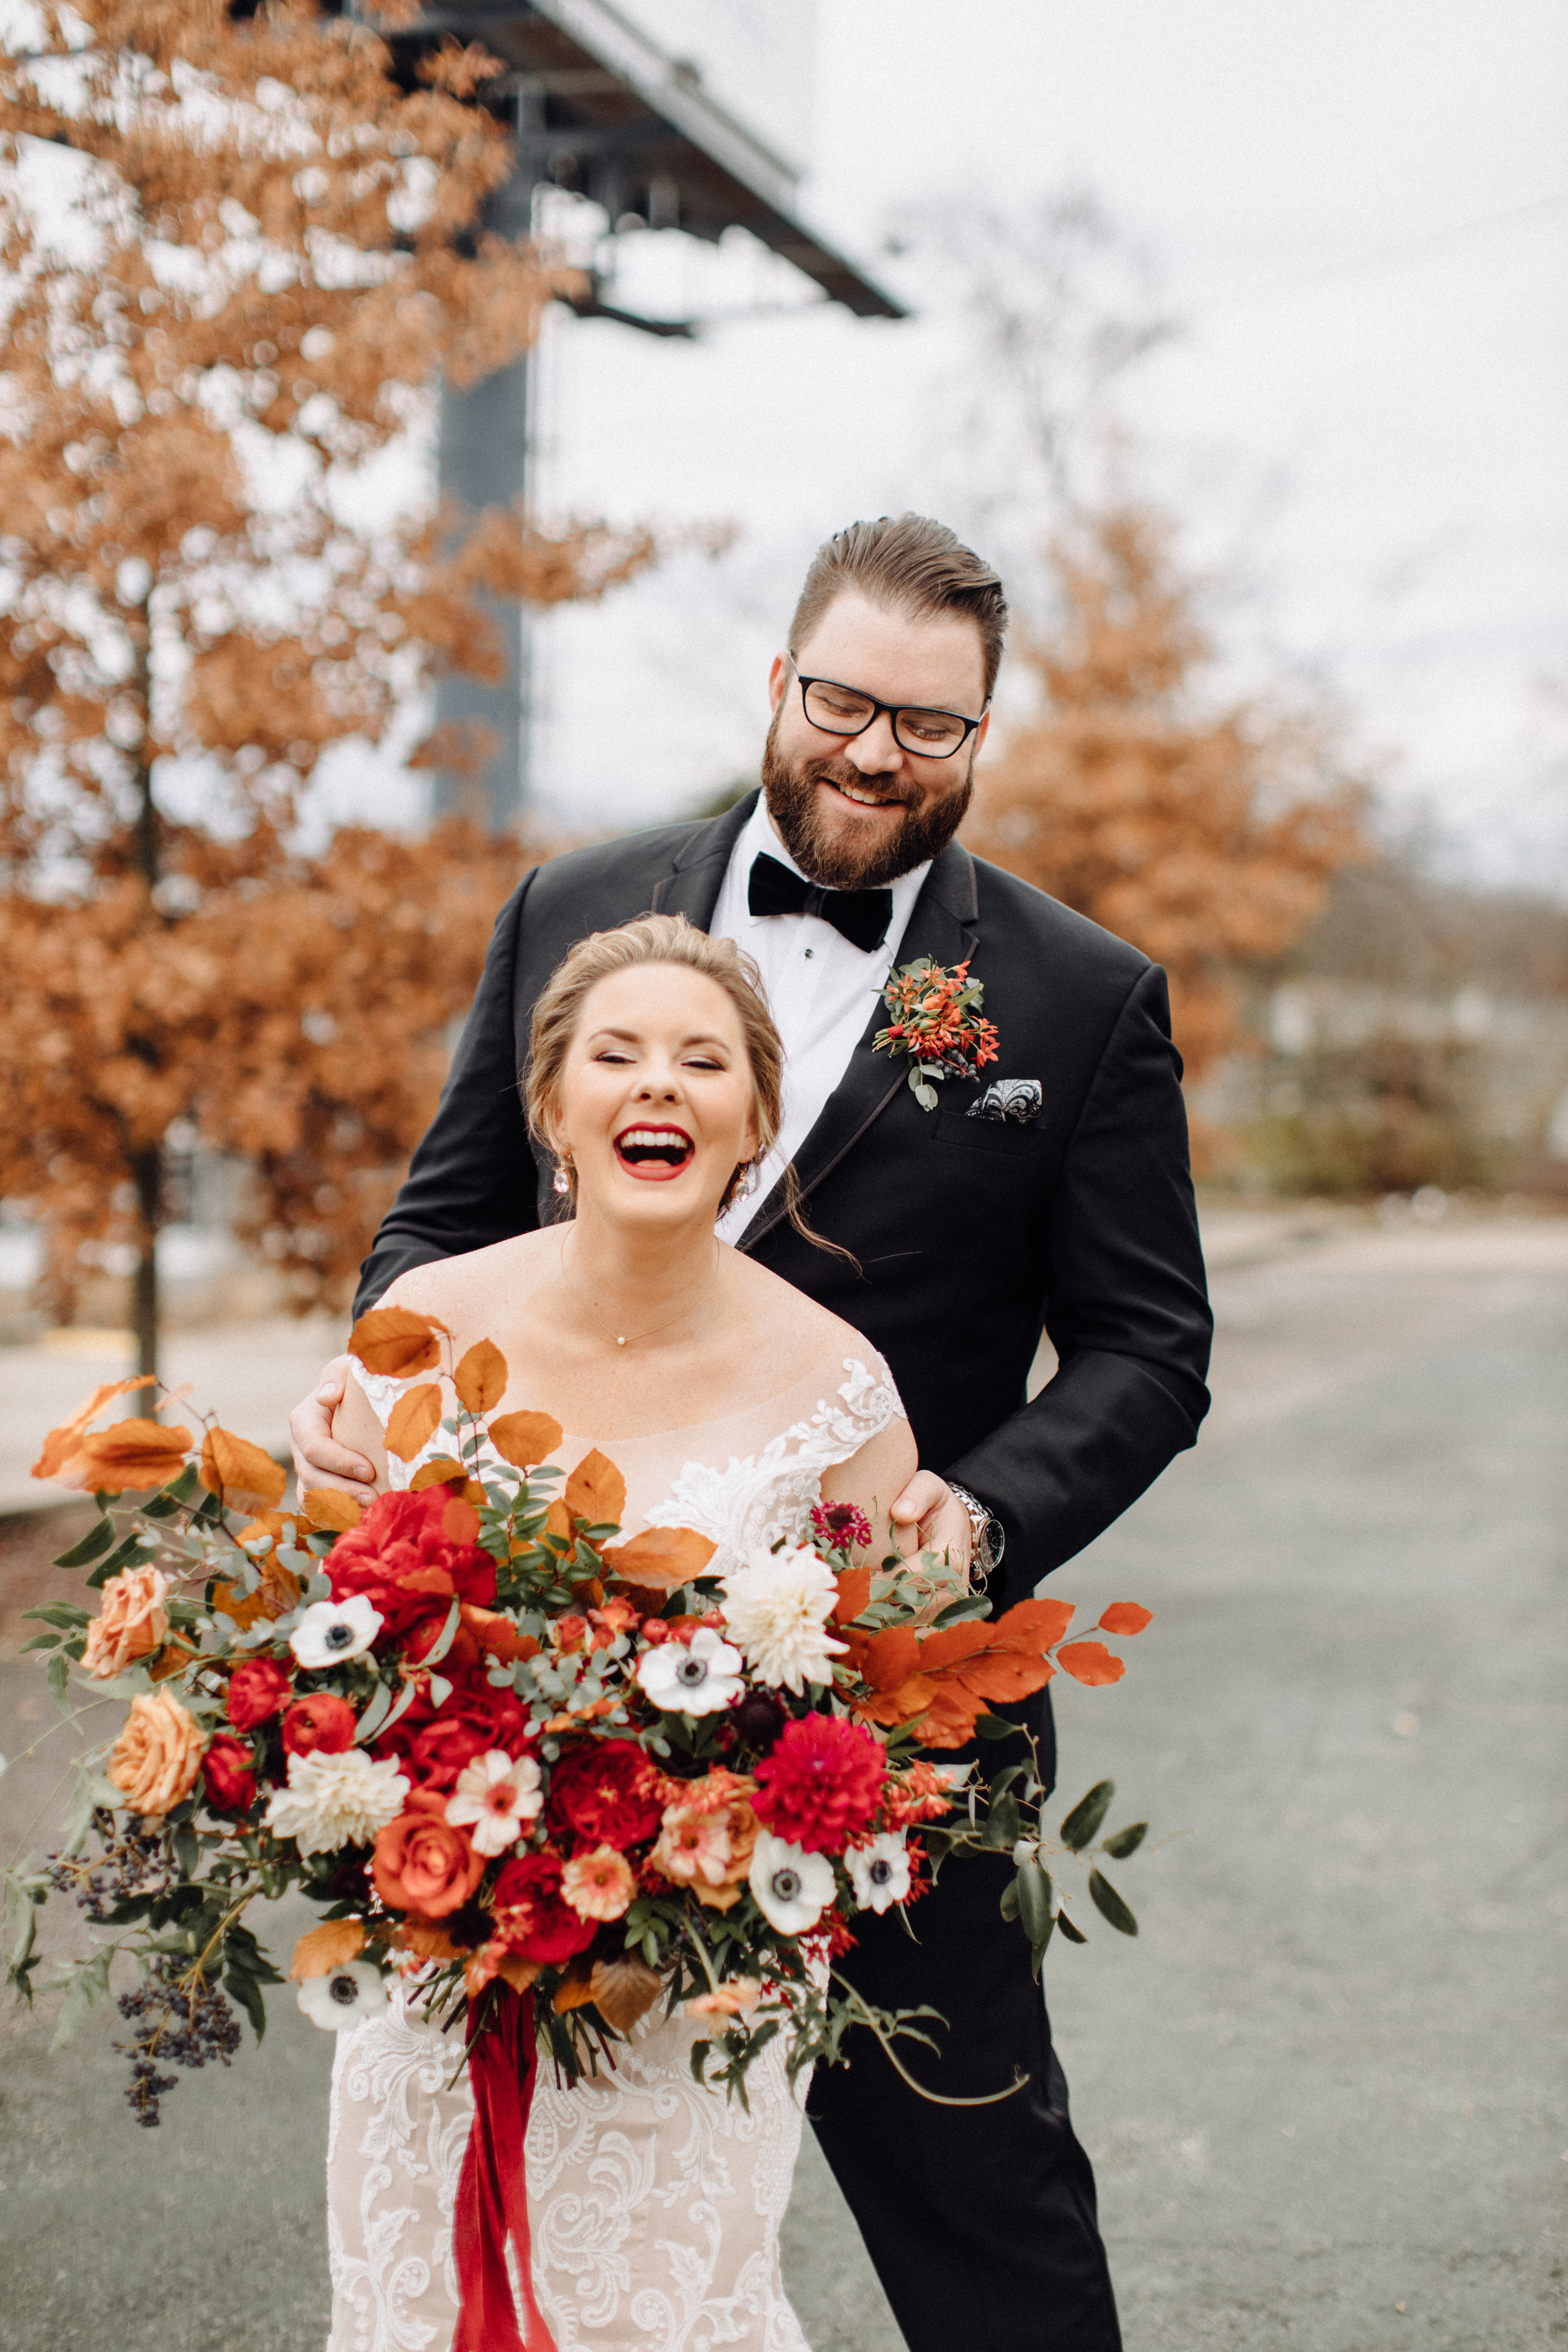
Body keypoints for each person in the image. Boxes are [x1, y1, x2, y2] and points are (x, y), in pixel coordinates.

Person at [294, 513, 1213, 2352]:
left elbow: (1147, 1341)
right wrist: (374, 1382)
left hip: (881, 1698)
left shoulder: (1075, 992)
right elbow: (442, 1219)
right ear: (776, 681)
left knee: (982, 2183)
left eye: (932, 726)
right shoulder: (572, 898)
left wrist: (974, 1514)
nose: (879, 752)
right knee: (531, 2177)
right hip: (535, 1693)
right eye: (848, 701)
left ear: (981, 734)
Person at [326, 916, 917, 2351]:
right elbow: (319, 1650)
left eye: (702, 1060)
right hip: (443, 1976)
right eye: (618, 1054)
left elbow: (881, 1715)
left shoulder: (838, 1387)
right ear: (553, 1110)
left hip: (698, 2001)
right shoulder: (421, 1328)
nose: (659, 1084)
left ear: (755, 1121)